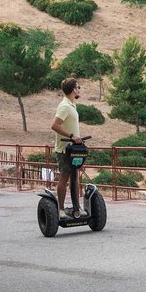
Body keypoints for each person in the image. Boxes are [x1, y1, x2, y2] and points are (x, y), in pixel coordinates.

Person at [51, 78, 87, 219]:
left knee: (75, 178)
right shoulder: (65, 106)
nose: (79, 89)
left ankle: (76, 208)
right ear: (73, 89)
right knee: (64, 177)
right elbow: (55, 125)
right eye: (78, 87)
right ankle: (60, 209)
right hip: (65, 149)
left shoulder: (72, 104)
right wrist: (71, 135)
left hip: (74, 149)